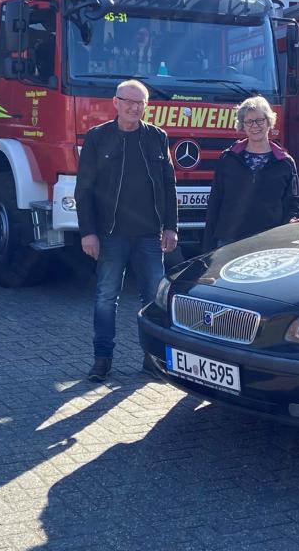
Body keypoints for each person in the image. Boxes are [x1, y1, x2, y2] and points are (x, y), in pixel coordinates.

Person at [74, 79, 178, 381]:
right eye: (129, 101)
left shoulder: (158, 137)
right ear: (116, 103)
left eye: (140, 102)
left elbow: (169, 186)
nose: (134, 107)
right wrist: (88, 232)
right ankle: (102, 359)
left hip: (149, 235)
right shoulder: (97, 138)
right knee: (106, 297)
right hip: (110, 234)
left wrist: (171, 227)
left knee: (154, 300)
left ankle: (152, 358)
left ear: (147, 106)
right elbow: (84, 190)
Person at [202, 96, 299, 251]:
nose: (255, 126)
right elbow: (214, 205)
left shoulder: (285, 163)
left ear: (269, 122)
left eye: (260, 120)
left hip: (268, 244)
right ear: (242, 125)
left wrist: (292, 222)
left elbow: (292, 207)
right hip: (229, 243)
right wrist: (207, 249)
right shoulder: (228, 159)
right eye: (249, 121)